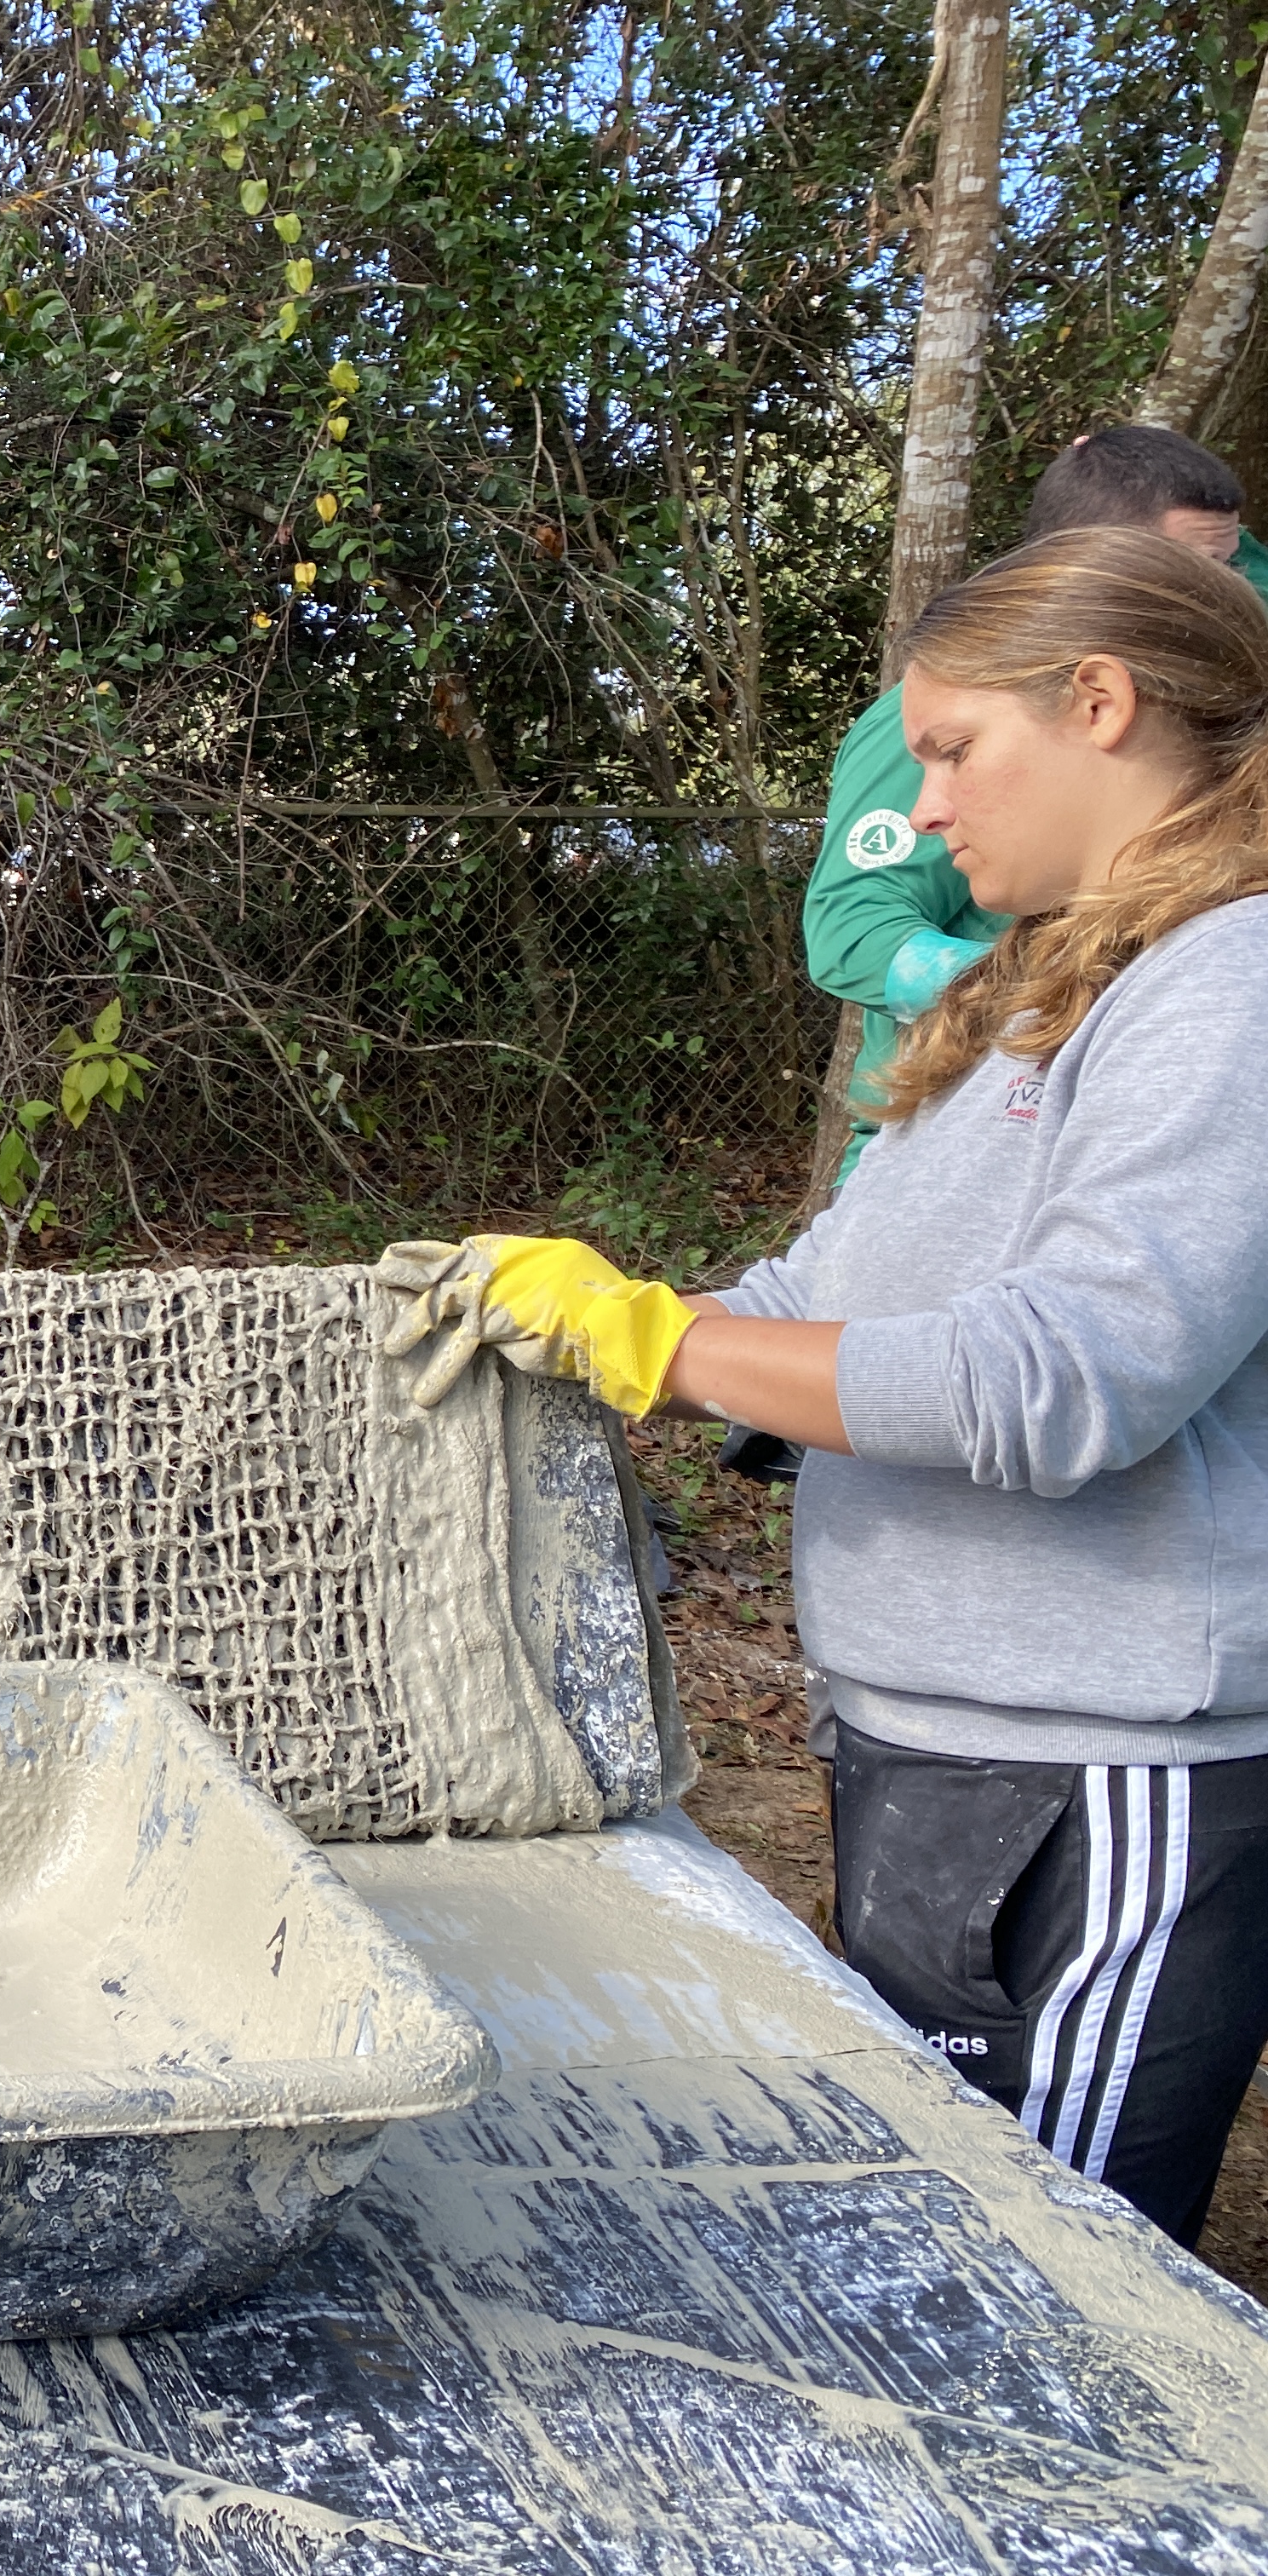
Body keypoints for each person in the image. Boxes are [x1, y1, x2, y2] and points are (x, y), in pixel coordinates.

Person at [377, 526, 1268, 2248]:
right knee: (935, 2236)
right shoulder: (1059, 976)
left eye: (951, 749)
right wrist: (613, 1331)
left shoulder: (1230, 984)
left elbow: (1073, 1377)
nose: (922, 810)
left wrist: (657, 1342)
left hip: (1103, 1784)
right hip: (936, 1741)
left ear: (1101, 703)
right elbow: (825, 1295)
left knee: (1054, 2278)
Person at [808, 424, 1268, 1187]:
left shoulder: (1208, 725)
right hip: (954, 1149)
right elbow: (851, 930)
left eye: (1230, 567)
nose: (1229, 596)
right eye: (1193, 571)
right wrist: (1077, 998)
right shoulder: (943, 711)